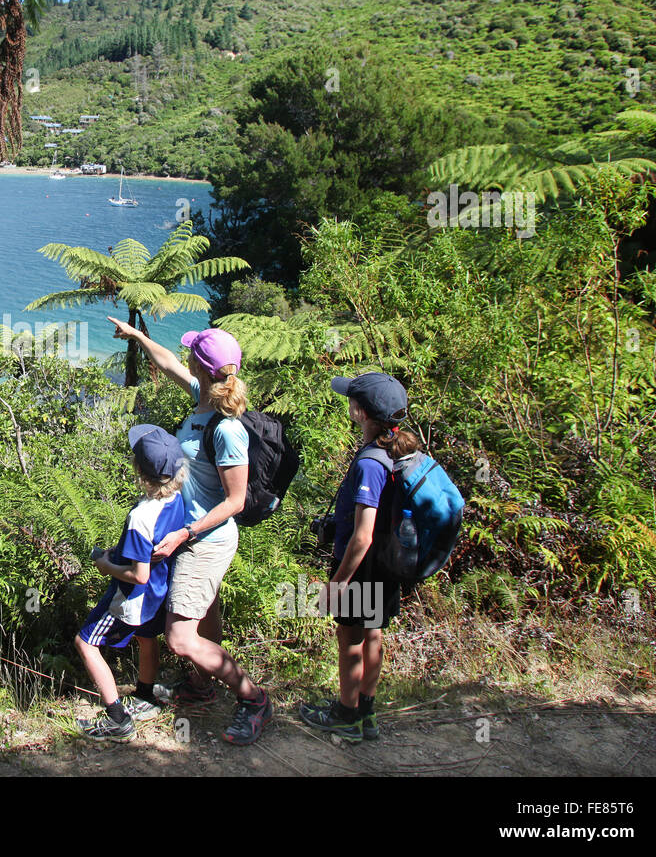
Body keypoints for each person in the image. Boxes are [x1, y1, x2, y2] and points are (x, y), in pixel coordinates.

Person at [107, 317, 273, 746]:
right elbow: (166, 363)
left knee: (180, 637)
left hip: (206, 540)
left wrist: (185, 534)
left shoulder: (228, 427)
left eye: (191, 355)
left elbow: (235, 501)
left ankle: (254, 699)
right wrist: (140, 337)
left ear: (200, 366)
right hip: (189, 537)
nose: (183, 360)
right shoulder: (203, 397)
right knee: (207, 617)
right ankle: (202, 687)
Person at [300, 371, 415, 743]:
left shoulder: (370, 462)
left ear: (361, 412)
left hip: (361, 567)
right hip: (388, 562)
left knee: (350, 640)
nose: (347, 404)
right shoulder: (401, 449)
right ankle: (366, 712)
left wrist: (337, 583)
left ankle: (346, 716)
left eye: (351, 400)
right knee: (373, 633)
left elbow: (362, 535)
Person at [74, 424, 188, 742]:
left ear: (140, 471)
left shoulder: (141, 516)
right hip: (158, 592)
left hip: (132, 597)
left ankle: (117, 718)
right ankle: (146, 695)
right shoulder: (177, 498)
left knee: (86, 643)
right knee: (147, 637)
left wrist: (105, 565)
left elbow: (139, 575)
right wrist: (119, 553)